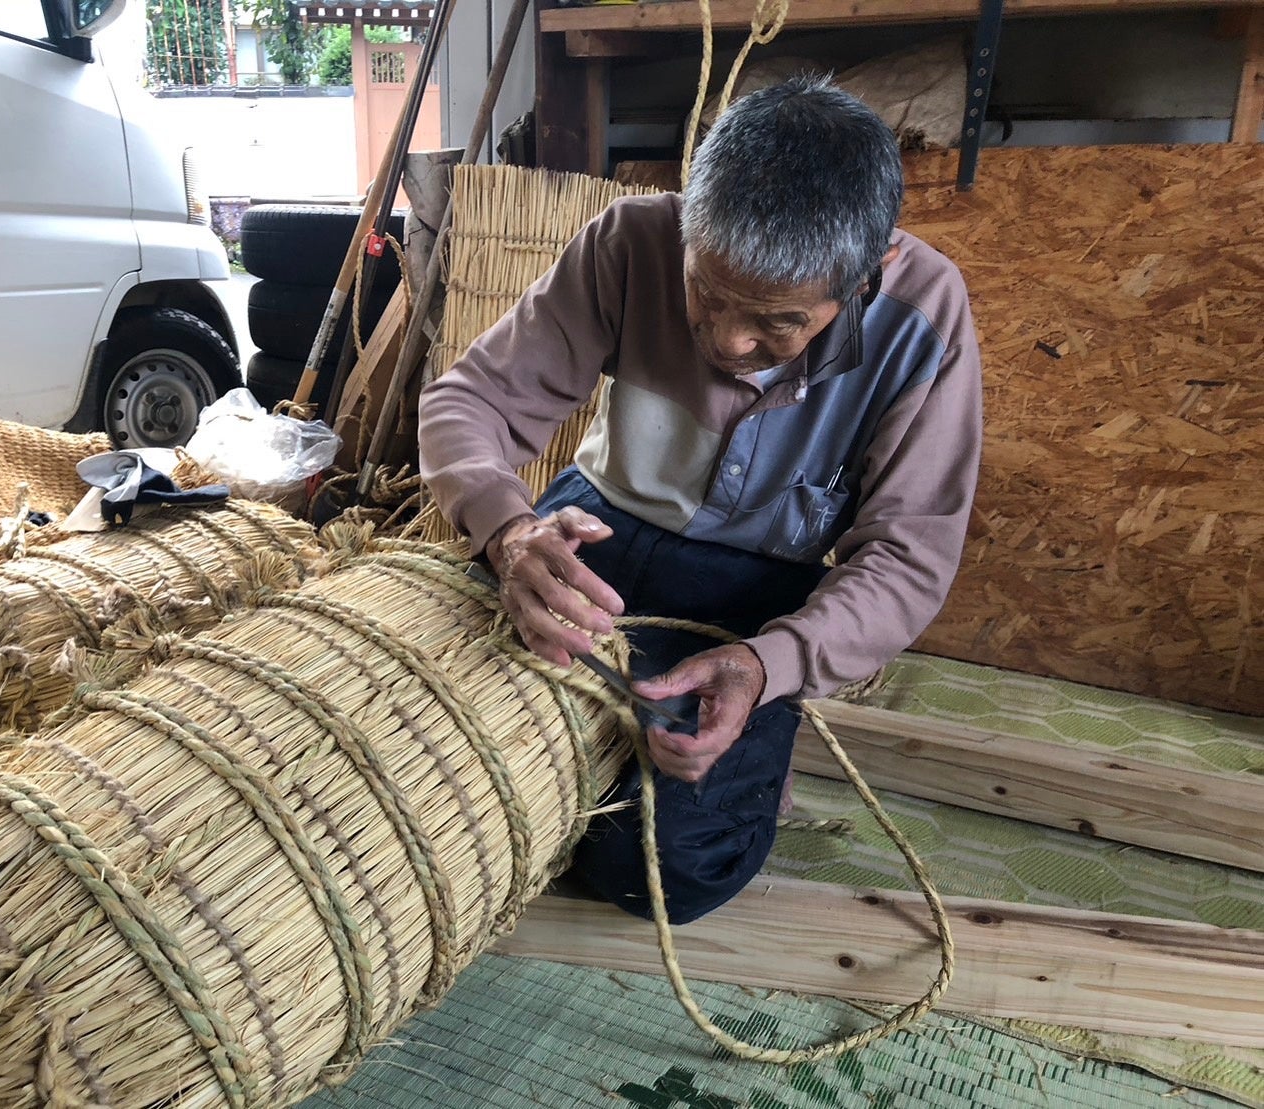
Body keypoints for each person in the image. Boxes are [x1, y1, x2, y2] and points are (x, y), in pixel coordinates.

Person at [418, 75, 983, 924]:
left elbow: (908, 556)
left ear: (864, 279)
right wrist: (510, 530)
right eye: (705, 293)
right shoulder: (631, 239)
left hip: (750, 598)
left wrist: (771, 666)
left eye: (777, 322)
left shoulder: (923, 314)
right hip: (591, 533)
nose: (725, 340)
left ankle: (755, 745)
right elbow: (471, 401)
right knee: (427, 756)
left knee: (665, 868)